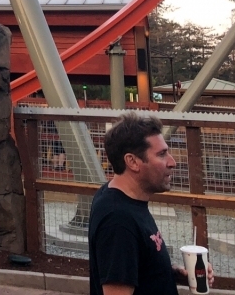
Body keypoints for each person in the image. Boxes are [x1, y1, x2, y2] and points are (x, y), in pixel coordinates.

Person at [89, 113, 214, 295]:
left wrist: (176, 274)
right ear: (132, 161)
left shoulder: (119, 198)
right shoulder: (118, 220)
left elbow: (138, 268)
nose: (172, 162)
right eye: (162, 154)